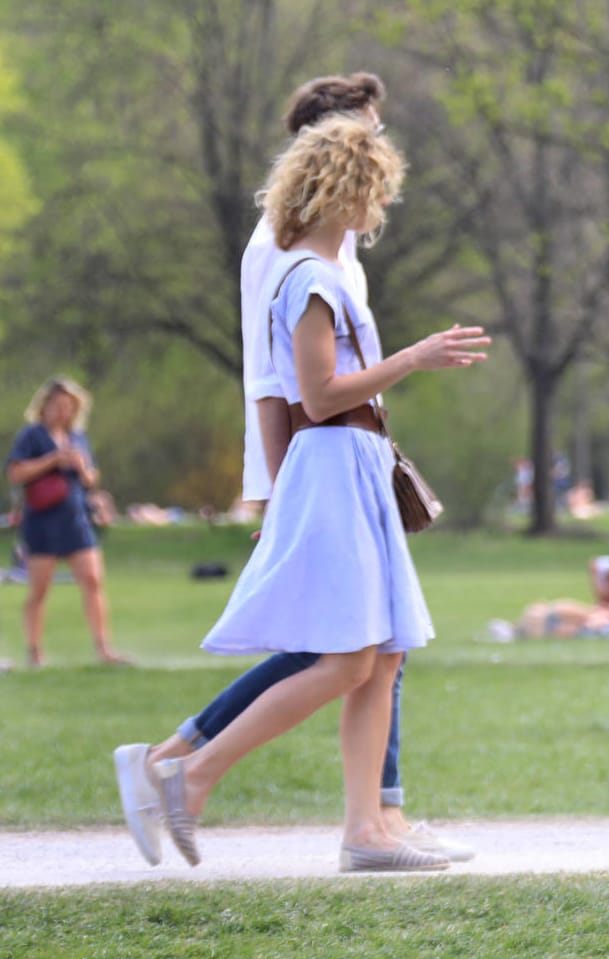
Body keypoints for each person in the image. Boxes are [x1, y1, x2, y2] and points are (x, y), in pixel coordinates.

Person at [114, 74, 478, 868]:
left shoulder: (320, 269)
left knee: (379, 654)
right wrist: (414, 358)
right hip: (331, 464)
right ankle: (192, 772)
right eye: (373, 192)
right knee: (350, 654)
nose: (379, 210)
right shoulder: (307, 276)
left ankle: (367, 827)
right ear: (345, 188)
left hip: (351, 462)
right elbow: (311, 394)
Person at [6, 377, 128, 667]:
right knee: (39, 589)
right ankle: (35, 652)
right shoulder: (31, 436)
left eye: (68, 406)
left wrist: (83, 469)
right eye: (57, 406)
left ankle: (104, 648)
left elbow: (90, 478)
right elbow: (15, 473)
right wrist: (53, 460)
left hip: (76, 519)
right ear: (44, 407)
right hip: (42, 522)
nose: (62, 412)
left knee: (93, 581)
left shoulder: (78, 437)